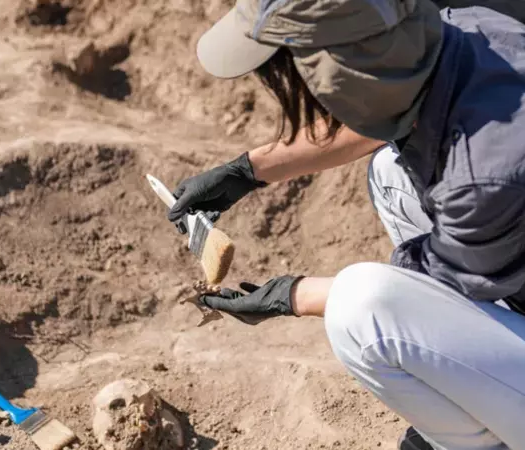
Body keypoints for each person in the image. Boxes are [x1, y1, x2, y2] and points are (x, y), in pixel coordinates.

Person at [167, 0, 525, 449]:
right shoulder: (469, 33)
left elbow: (418, 294)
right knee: (391, 174)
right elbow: (394, 109)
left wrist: (290, 295)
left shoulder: (483, 175)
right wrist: (249, 170)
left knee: (361, 310)